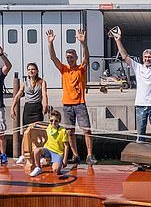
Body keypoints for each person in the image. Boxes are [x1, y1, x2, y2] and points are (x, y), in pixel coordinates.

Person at [111, 26, 151, 145]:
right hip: (140, 105)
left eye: (150, 57)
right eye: (145, 57)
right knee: (140, 135)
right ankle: (139, 160)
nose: (147, 59)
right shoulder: (138, 67)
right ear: (142, 58)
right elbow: (125, 56)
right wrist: (118, 40)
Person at [47, 29, 94, 165]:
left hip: (80, 103)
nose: (69, 59)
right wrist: (50, 43)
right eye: (67, 57)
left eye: (71, 57)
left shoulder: (81, 69)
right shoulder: (64, 69)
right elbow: (53, 58)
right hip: (67, 105)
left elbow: (87, 58)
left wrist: (83, 43)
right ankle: (75, 155)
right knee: (69, 131)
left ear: (76, 58)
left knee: (87, 130)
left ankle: (90, 155)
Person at [11, 62, 48, 164]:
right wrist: (12, 107)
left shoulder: (42, 82)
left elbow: (44, 94)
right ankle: (23, 154)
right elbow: (18, 95)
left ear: (37, 71)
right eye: (29, 69)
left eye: (33, 69)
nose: (31, 71)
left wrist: (45, 105)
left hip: (37, 107)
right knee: (26, 133)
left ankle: (39, 155)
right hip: (28, 109)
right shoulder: (24, 82)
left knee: (38, 133)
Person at [30, 110, 70, 177]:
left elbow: (66, 146)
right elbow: (42, 127)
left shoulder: (63, 131)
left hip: (57, 153)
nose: (53, 123)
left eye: (56, 121)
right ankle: (38, 167)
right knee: (36, 150)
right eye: (51, 121)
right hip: (47, 150)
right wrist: (34, 125)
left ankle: (51, 162)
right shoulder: (49, 127)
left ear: (59, 121)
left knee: (56, 170)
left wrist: (65, 159)